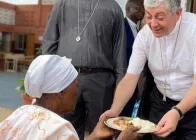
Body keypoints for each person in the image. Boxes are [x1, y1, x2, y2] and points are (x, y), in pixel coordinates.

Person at [101, 0, 196, 140]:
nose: (153, 24)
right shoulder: (144, 36)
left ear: (178, 13)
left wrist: (177, 112)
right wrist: (115, 110)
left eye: (160, 17)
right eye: (148, 16)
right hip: (162, 100)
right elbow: (130, 78)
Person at [0, 55, 140, 140]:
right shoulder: (58, 129)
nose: (77, 92)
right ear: (60, 92)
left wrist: (95, 135)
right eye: (75, 85)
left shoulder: (21, 113)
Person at [42, 0, 127, 138]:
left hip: (101, 81)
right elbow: (50, 43)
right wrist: (48, 80)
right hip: (66, 79)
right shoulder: (62, 4)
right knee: (65, 130)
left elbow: (120, 52)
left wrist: (120, 89)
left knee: (103, 131)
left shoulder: (113, 7)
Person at [121, 0, 145, 117]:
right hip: (124, 78)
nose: (142, 11)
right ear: (128, 9)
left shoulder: (139, 30)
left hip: (137, 80)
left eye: (143, 8)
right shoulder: (121, 27)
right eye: (138, 8)